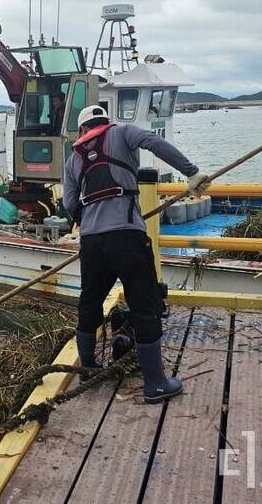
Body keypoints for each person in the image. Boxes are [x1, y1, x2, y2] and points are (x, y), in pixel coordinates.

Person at [62, 104, 210, 403]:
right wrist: (192, 173)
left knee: (90, 303)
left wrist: (91, 220)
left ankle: (88, 370)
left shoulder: (73, 158)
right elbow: (155, 143)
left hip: (92, 242)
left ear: (82, 130)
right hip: (127, 236)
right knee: (144, 304)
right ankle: (155, 383)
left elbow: (69, 203)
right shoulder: (123, 132)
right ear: (106, 122)